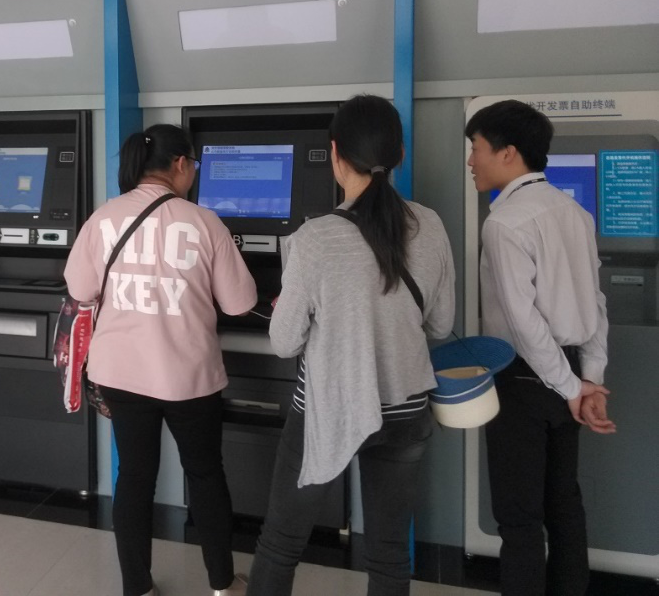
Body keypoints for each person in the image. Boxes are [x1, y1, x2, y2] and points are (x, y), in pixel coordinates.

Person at [247, 95, 455, 596]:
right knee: (389, 555)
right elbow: (441, 325)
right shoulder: (430, 225)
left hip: (328, 410)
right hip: (405, 409)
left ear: (336, 154)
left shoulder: (314, 238)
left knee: (281, 543)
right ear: (399, 154)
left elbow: (284, 342)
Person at [64, 123, 257, 596]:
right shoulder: (204, 222)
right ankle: (222, 583)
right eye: (194, 164)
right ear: (179, 164)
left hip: (121, 374)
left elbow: (80, 288)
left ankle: (138, 587)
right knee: (205, 474)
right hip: (189, 377)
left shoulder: (103, 218)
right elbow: (240, 303)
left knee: (133, 477)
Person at [465, 99, 616, 596]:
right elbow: (595, 302)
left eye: (476, 148)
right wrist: (588, 379)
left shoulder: (504, 223)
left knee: (519, 518)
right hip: (567, 372)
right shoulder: (575, 212)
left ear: (508, 153)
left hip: (523, 379)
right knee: (563, 504)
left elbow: (524, 323)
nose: (471, 161)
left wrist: (574, 388)